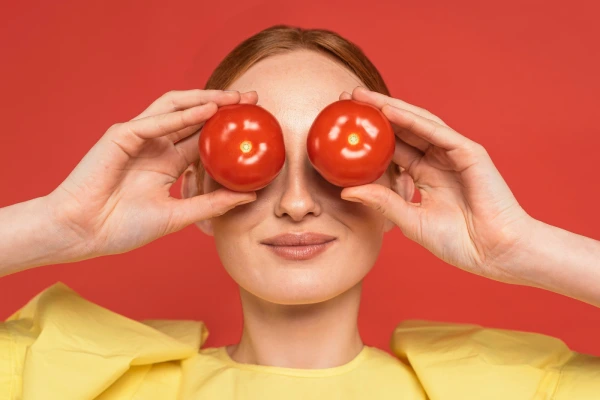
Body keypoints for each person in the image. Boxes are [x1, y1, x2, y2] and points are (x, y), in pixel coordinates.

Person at [0, 25, 599, 399]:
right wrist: (59, 225)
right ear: (196, 193)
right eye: (251, 163)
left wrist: (521, 248)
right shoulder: (66, 378)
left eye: (337, 162)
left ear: (400, 186)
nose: (295, 203)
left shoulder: (513, 389)